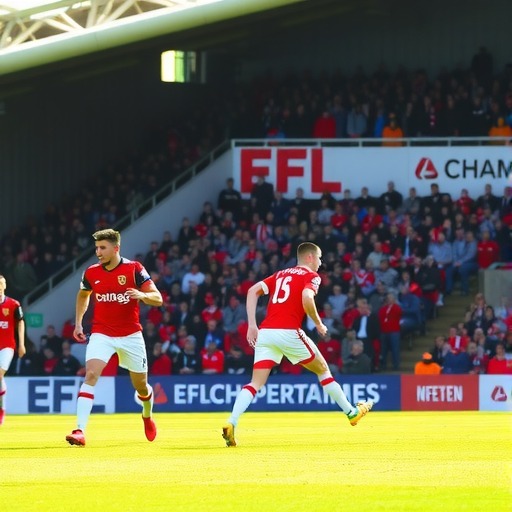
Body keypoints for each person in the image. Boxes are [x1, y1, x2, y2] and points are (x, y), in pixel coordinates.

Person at [222, 242, 373, 447]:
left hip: (266, 333)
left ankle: (232, 421)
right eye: (319, 258)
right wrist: (318, 323)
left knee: (255, 383)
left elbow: (252, 291)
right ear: (310, 257)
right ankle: (351, 413)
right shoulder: (311, 276)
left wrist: (252, 325)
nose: (321, 262)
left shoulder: (280, 274)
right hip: (288, 332)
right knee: (323, 369)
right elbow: (307, 298)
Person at [65, 229, 163, 447]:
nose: (98, 252)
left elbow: (158, 298)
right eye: (97, 248)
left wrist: (142, 295)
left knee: (141, 386)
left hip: (131, 335)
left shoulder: (134, 269)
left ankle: (147, 415)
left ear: (116, 248)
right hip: (102, 333)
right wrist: (79, 323)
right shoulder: (91, 272)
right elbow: (83, 295)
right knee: (91, 375)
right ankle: (79, 430)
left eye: (103, 248)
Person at [0, 275, 26, 425]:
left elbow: (20, 323)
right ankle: (2, 407)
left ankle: (1, 410)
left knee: (0, 373)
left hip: (7, 346)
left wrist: (21, 344)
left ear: (5, 286)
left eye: (1, 284)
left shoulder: (13, 304)